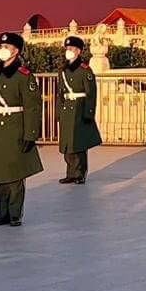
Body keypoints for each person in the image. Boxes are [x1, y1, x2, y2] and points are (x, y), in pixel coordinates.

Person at [0, 32, 43, 226]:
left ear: (16, 51)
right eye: (1, 46)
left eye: (7, 47)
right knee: (1, 173)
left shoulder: (24, 76)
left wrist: (31, 134)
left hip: (15, 127)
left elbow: (33, 106)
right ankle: (3, 212)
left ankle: (15, 213)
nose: (3, 50)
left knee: (15, 174)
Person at [55, 35, 101, 184]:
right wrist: (58, 112)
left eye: (72, 48)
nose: (69, 51)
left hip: (80, 108)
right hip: (67, 109)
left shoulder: (85, 70)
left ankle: (80, 173)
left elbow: (91, 92)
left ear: (79, 51)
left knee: (79, 144)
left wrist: (89, 112)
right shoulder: (62, 70)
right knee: (67, 143)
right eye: (67, 48)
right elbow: (60, 93)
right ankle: (70, 172)